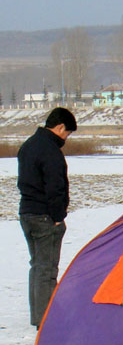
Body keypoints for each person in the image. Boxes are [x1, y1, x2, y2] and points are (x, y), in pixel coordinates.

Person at [17, 107, 76, 329]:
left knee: (37, 266)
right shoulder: (50, 151)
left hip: (27, 213)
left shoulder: (28, 146)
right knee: (47, 269)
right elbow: (55, 187)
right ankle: (46, 322)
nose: (66, 139)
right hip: (45, 217)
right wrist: (58, 216)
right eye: (67, 133)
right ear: (60, 127)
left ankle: (38, 316)